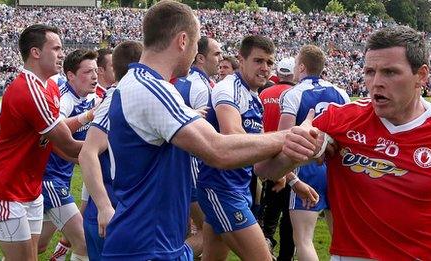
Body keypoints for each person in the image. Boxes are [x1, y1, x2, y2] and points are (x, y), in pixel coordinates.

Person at [101, 1, 319, 260]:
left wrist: (292, 155)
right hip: (147, 245)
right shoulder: (151, 88)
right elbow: (218, 149)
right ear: (183, 40)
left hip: (154, 240)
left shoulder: (140, 84)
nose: (196, 52)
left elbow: (256, 165)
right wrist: (289, 136)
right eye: (195, 43)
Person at [303, 26, 431, 260]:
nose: (376, 82)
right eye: (370, 71)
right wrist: (298, 145)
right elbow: (267, 169)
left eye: (390, 72)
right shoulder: (340, 118)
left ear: (421, 76)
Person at [197, 35, 319, 261]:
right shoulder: (228, 88)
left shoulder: (255, 97)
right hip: (221, 189)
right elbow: (233, 136)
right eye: (258, 61)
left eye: (269, 63)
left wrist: (292, 179)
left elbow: (258, 146)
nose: (265, 68)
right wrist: (288, 138)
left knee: (212, 258)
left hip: (238, 187)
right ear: (241, 60)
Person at [0, 24, 82, 261]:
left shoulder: (50, 85)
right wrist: (115, 145)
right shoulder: (30, 90)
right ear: (35, 52)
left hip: (31, 187)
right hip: (8, 189)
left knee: (32, 254)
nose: (62, 54)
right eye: (56, 48)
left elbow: (55, 141)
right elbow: (67, 144)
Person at [279, 44, 350, 261]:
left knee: (303, 239)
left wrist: (288, 177)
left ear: (301, 67)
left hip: (307, 167)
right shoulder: (341, 93)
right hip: (337, 166)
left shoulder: (293, 93)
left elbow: (285, 137)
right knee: (343, 239)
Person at [79, 40, 143, 261]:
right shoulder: (118, 97)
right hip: (114, 208)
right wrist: (103, 206)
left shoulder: (135, 95)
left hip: (125, 209)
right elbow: (88, 152)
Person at [39, 49, 100, 261]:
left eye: (95, 71)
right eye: (87, 72)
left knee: (37, 246)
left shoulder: (92, 96)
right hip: (50, 180)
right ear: (70, 76)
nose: (94, 76)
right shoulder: (64, 98)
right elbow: (54, 130)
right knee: (83, 242)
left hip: (61, 177)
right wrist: (88, 117)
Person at [174, 35, 223, 258]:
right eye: (217, 54)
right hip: (193, 166)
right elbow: (202, 135)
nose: (220, 59)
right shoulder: (202, 87)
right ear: (200, 58)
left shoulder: (180, 80)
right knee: (213, 230)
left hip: (177, 164)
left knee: (180, 230)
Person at [259, 57, 298, 261]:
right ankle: (285, 255)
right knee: (290, 212)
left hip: (266, 157)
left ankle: (266, 243)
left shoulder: (265, 92)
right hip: (290, 159)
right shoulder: (296, 94)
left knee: (271, 207)